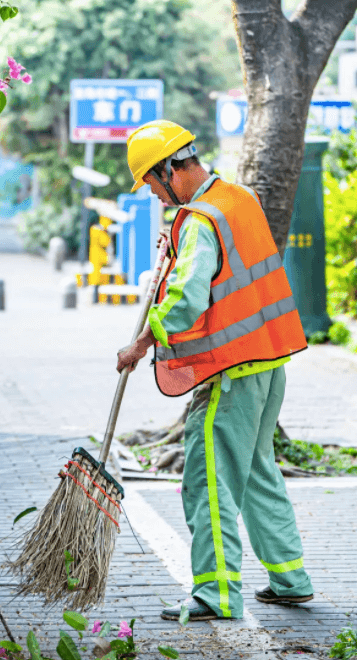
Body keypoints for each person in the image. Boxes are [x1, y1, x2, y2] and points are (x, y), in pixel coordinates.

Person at [116, 119, 314, 621]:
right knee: (256, 469)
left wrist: (142, 340)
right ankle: (290, 579)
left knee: (209, 481)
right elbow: (229, 268)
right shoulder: (237, 198)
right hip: (270, 362)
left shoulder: (199, 221)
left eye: (152, 185)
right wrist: (178, 247)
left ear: (168, 171)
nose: (155, 197)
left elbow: (187, 299)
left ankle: (215, 594)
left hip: (232, 371)